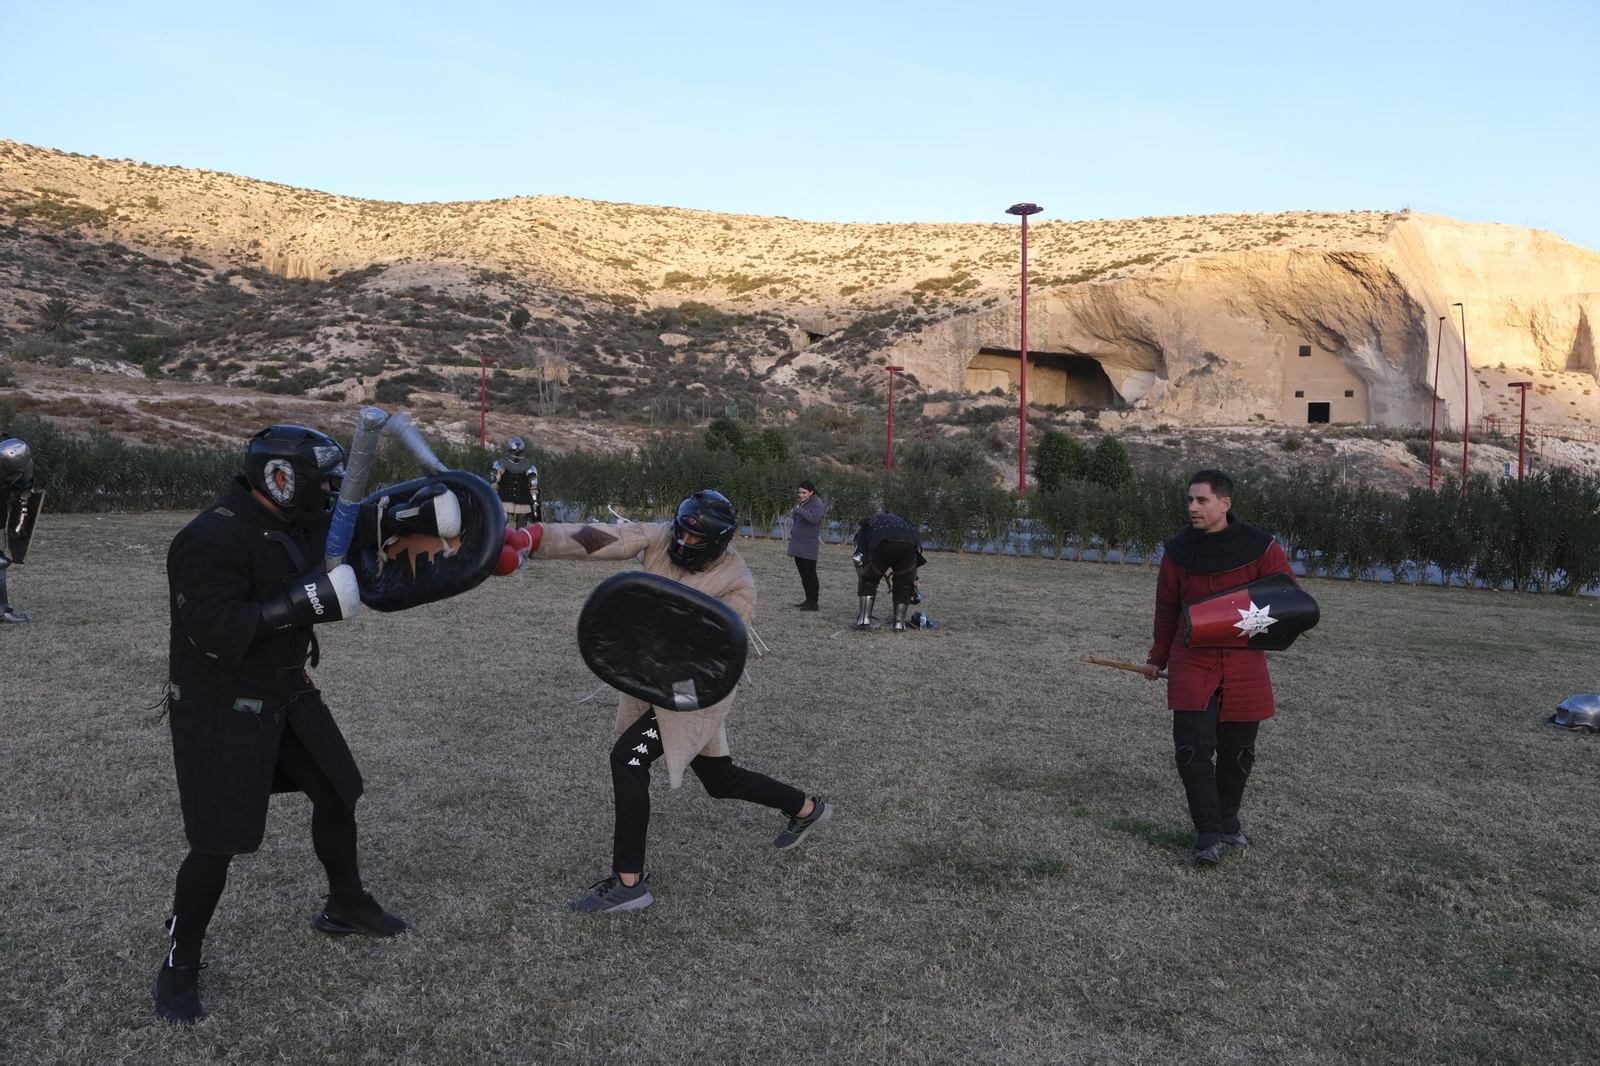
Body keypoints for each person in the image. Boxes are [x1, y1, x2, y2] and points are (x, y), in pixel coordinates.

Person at [153, 425, 459, 1024]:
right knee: (218, 845)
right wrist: (305, 602)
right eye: (322, 482)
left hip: (286, 692)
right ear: (280, 479)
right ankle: (179, 958)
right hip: (221, 705)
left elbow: (352, 524)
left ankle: (344, 904)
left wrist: (417, 512)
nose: (330, 492)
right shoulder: (208, 538)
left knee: (338, 791)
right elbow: (213, 630)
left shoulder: (290, 522)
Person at [509, 490, 834, 912]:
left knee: (628, 758)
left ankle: (630, 884)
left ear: (717, 542)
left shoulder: (737, 582)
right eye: (681, 534)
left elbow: (713, 649)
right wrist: (533, 538)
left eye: (696, 541)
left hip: (695, 688)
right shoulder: (662, 536)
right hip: (651, 676)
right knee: (720, 780)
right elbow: (603, 536)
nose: (683, 545)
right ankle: (807, 808)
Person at [1144, 469, 1296, 865]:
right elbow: (1168, 610)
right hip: (1191, 658)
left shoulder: (1262, 549)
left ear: (1224, 504)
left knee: (1239, 749)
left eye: (1201, 500)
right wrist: (1157, 657)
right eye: (1190, 500)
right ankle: (1207, 834)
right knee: (1193, 749)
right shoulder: (1178, 551)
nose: (1191, 507)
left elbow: (1287, 599)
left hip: (1244, 661)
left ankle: (1228, 819)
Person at [852, 512, 925, 632]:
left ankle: (864, 621)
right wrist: (913, 579)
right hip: (909, 545)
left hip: (883, 544)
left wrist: (862, 578)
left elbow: (857, 557)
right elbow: (915, 556)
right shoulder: (906, 525)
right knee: (904, 584)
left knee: (869, 580)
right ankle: (899, 625)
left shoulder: (869, 523)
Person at [0, 433, 44, 623]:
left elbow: (25, 493)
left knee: (0, 560)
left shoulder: (20, 457)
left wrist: (21, 522)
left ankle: (2, 610)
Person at [786, 480, 825, 611]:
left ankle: (814, 602)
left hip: (809, 544)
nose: (801, 495)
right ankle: (808, 599)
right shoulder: (802, 504)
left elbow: (814, 518)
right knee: (803, 574)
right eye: (799, 492)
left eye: (804, 493)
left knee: (810, 574)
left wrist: (798, 510)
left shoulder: (817, 504)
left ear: (811, 492)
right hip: (798, 543)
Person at [490, 437, 540, 528]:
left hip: (523, 504)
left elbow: (533, 488)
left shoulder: (529, 468)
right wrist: (493, 502)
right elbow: (494, 485)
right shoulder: (500, 465)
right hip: (504, 503)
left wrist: (535, 506)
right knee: (500, 528)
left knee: (521, 532)